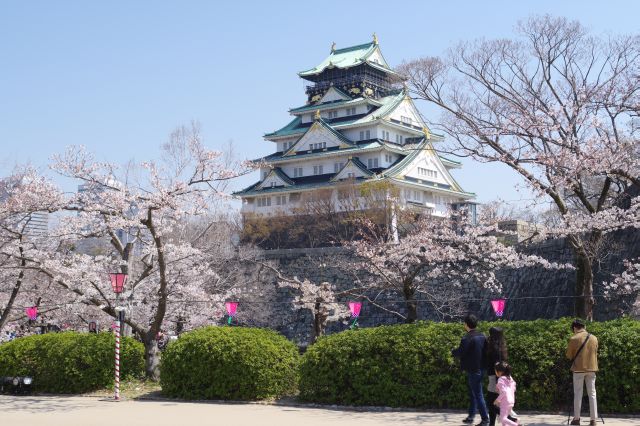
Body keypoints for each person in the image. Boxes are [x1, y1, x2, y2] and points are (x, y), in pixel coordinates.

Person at [452, 314, 489, 426]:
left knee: (478, 394)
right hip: (482, 368)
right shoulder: (482, 336)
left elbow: (460, 352)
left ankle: (485, 420)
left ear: (466, 325)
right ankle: (471, 417)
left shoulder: (467, 338)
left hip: (473, 370)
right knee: (474, 393)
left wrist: (453, 351)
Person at [566, 319, 599, 426]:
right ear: (583, 326)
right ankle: (593, 420)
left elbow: (569, 356)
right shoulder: (594, 338)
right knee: (592, 394)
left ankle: (576, 419)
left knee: (578, 394)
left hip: (578, 369)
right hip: (592, 369)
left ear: (575, 328)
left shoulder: (574, 338)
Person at [485, 327, 518, 426]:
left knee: (490, 403)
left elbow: (497, 366)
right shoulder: (501, 346)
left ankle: (509, 418)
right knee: (493, 402)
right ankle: (492, 423)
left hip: (495, 377)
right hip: (499, 377)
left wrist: (497, 381)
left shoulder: (494, 349)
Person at [494, 361, 520, 426]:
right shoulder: (510, 378)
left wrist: (497, 400)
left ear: (499, 372)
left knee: (503, 418)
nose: (495, 372)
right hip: (511, 401)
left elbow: (503, 392)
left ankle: (516, 425)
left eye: (495, 371)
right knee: (504, 420)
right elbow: (513, 388)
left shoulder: (500, 379)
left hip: (505, 402)